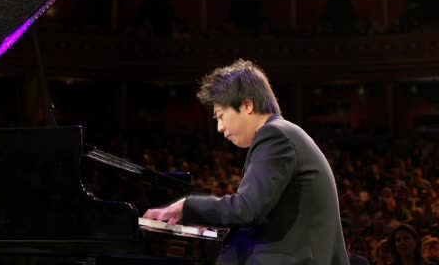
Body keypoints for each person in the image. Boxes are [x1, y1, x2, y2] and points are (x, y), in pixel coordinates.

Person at [143, 59, 350, 264]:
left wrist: (186, 207)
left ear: (247, 105)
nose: (220, 128)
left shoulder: (275, 136)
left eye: (221, 116)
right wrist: (217, 223)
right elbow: (265, 213)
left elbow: (247, 209)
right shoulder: (283, 134)